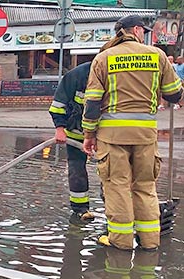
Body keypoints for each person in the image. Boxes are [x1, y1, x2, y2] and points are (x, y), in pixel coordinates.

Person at [82, 15, 183, 251]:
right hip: (146, 135)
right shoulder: (156, 55)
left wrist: (89, 134)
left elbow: (93, 102)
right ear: (136, 30)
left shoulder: (104, 58)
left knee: (117, 186)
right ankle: (150, 242)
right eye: (143, 31)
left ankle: (121, 242)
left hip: (112, 137)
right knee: (146, 187)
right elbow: (174, 94)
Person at [49, 61, 96, 225]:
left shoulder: (113, 75)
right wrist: (60, 128)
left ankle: (115, 210)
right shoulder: (76, 76)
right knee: (77, 171)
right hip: (76, 134)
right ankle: (80, 210)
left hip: (104, 136)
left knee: (111, 175)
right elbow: (57, 105)